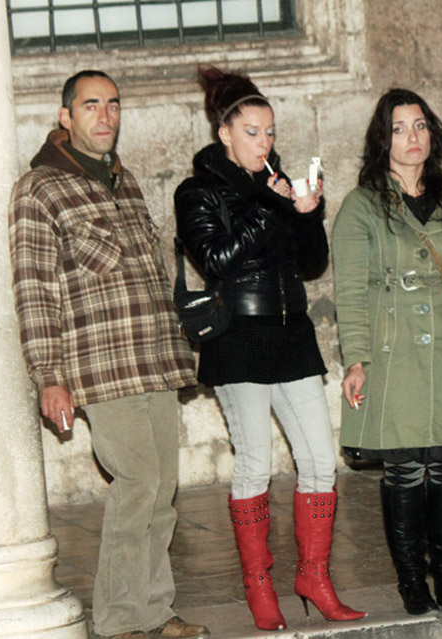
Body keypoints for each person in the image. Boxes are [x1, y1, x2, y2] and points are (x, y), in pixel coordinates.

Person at [8, 70, 208, 639]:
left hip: (155, 358)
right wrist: (49, 376)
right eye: (91, 105)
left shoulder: (126, 180)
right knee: (138, 482)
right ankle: (120, 619)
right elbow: (34, 288)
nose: (105, 116)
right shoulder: (39, 189)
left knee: (162, 489)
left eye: (113, 104)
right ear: (65, 117)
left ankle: (155, 610)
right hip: (101, 364)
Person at [173, 67, 365, 631]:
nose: (264, 142)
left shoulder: (278, 182)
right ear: (224, 133)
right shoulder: (198, 191)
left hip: (291, 333)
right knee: (255, 463)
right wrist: (267, 206)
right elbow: (215, 259)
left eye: (271, 132)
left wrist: (305, 215)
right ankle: (259, 584)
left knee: (320, 461)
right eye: (252, 132)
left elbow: (312, 263)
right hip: (237, 337)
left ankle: (314, 576)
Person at [332, 88, 442, 616]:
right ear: (383, 140)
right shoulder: (361, 207)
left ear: (432, 133)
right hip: (393, 352)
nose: (412, 137)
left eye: (420, 125)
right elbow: (350, 292)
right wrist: (357, 361)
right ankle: (411, 581)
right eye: (399, 128)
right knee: (403, 470)